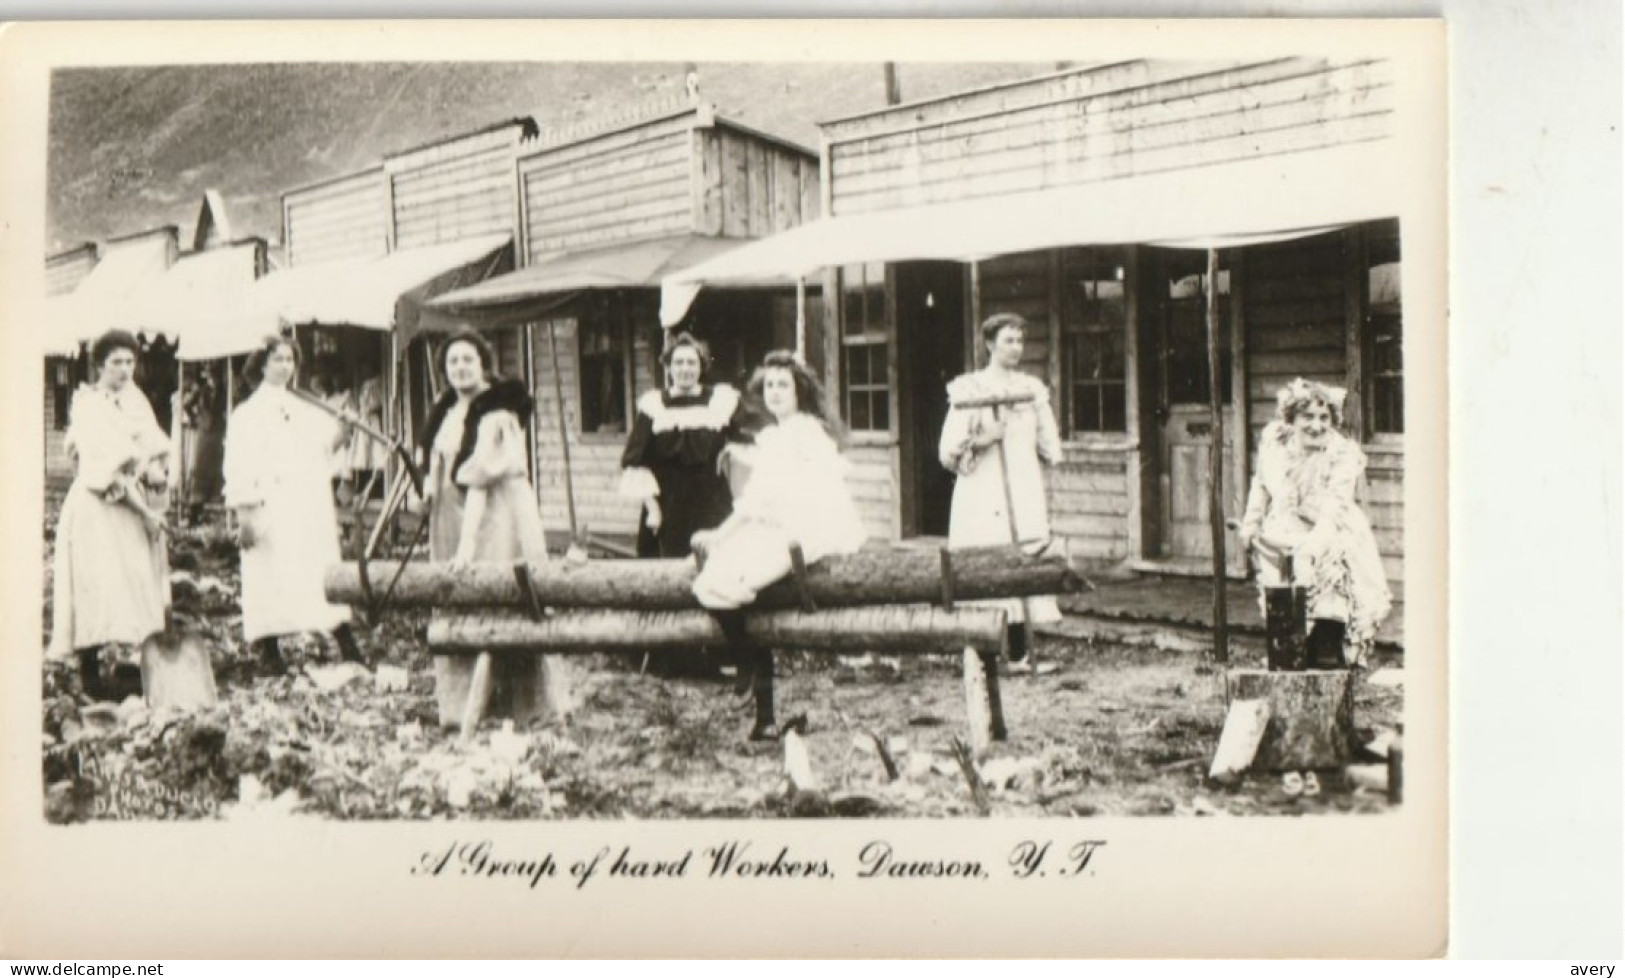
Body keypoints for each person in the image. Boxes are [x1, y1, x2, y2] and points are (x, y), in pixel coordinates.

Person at [691, 350, 867, 740]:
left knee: (736, 587)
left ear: (800, 390)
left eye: (783, 384)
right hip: (771, 527)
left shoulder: (809, 432)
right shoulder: (771, 436)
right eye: (769, 385)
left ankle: (756, 691)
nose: (774, 392)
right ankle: (755, 691)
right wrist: (720, 535)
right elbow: (755, 499)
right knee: (709, 584)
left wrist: (782, 525)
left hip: (802, 533)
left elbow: (822, 494)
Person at [418, 327, 573, 726]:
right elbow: (436, 459)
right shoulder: (446, 409)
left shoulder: (498, 413)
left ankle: (520, 703)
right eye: (452, 361)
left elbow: (483, 475)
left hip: (496, 517)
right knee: (458, 601)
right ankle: (464, 702)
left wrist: (469, 542)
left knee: (501, 595)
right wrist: (426, 487)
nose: (460, 368)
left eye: (468, 359)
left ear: (484, 364)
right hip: (450, 517)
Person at [223, 335, 365, 673]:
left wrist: (344, 431)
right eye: (278, 360)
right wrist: (245, 512)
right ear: (261, 365)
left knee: (315, 570)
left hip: (305, 505)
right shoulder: (247, 414)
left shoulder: (305, 406)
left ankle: (345, 642)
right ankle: (269, 651)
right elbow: (239, 464)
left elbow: (321, 449)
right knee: (269, 574)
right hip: (269, 504)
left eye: (289, 360)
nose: (285, 367)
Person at [49, 329, 174, 700]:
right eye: (116, 362)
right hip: (98, 504)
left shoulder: (133, 401)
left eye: (130, 362)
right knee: (95, 581)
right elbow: (104, 468)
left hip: (132, 506)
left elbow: (150, 446)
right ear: (100, 364)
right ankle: (89, 670)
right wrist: (145, 511)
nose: (124, 369)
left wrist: (156, 475)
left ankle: (136, 662)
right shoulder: (90, 405)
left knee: (135, 579)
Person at [1238, 378, 1393, 668]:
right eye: (1307, 417)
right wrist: (1251, 524)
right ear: (1291, 419)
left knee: (1329, 580)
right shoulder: (1275, 443)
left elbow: (1334, 510)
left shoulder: (1341, 454)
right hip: (1285, 526)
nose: (1316, 426)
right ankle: (1290, 649)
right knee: (1282, 592)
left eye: (1324, 418)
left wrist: (1310, 553)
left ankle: (1327, 643)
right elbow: (1261, 484)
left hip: (1330, 528)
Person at [619, 332, 747, 678]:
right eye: (679, 363)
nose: (685, 369)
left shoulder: (720, 402)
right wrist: (652, 508)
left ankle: (721, 657)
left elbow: (747, 442)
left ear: (702, 367)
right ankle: (672, 660)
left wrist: (728, 455)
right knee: (671, 575)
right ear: (668, 367)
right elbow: (634, 459)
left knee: (717, 569)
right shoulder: (654, 406)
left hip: (712, 502)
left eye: (692, 362)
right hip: (669, 505)